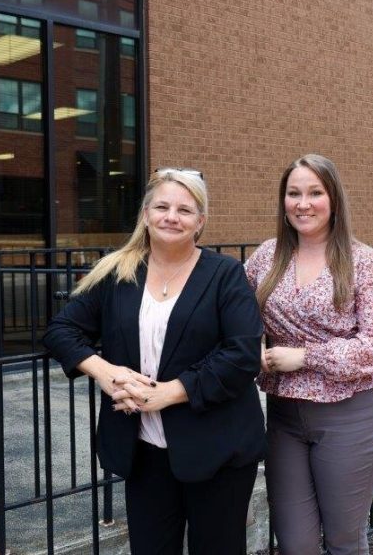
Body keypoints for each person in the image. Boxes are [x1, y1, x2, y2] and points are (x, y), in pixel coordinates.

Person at [43, 168, 265, 554]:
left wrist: (170, 393)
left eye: (185, 210)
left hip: (217, 449)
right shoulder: (119, 272)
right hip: (144, 452)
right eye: (162, 207)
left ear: (200, 222)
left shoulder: (225, 274)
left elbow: (242, 354)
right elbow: (61, 330)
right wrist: (105, 372)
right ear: (146, 214)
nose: (171, 217)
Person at [245, 154, 373, 554]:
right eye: (293, 193)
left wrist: (306, 356)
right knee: (295, 543)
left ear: (333, 199)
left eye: (315, 193)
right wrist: (254, 343)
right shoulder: (266, 256)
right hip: (285, 414)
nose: (303, 203)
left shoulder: (362, 261)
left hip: (352, 412)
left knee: (344, 540)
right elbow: (235, 309)